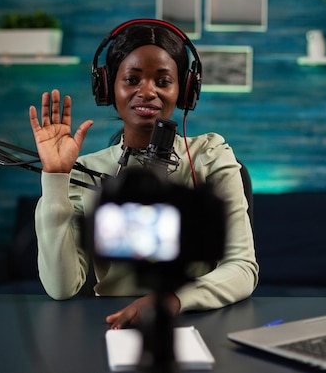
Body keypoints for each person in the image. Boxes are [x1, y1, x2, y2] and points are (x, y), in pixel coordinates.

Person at [29, 19, 258, 329]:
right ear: (109, 87)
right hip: (112, 323)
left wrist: (173, 300)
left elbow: (242, 268)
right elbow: (61, 288)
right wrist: (56, 178)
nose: (147, 91)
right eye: (131, 79)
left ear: (184, 90)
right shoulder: (87, 170)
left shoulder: (211, 155)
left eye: (163, 81)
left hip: (197, 319)